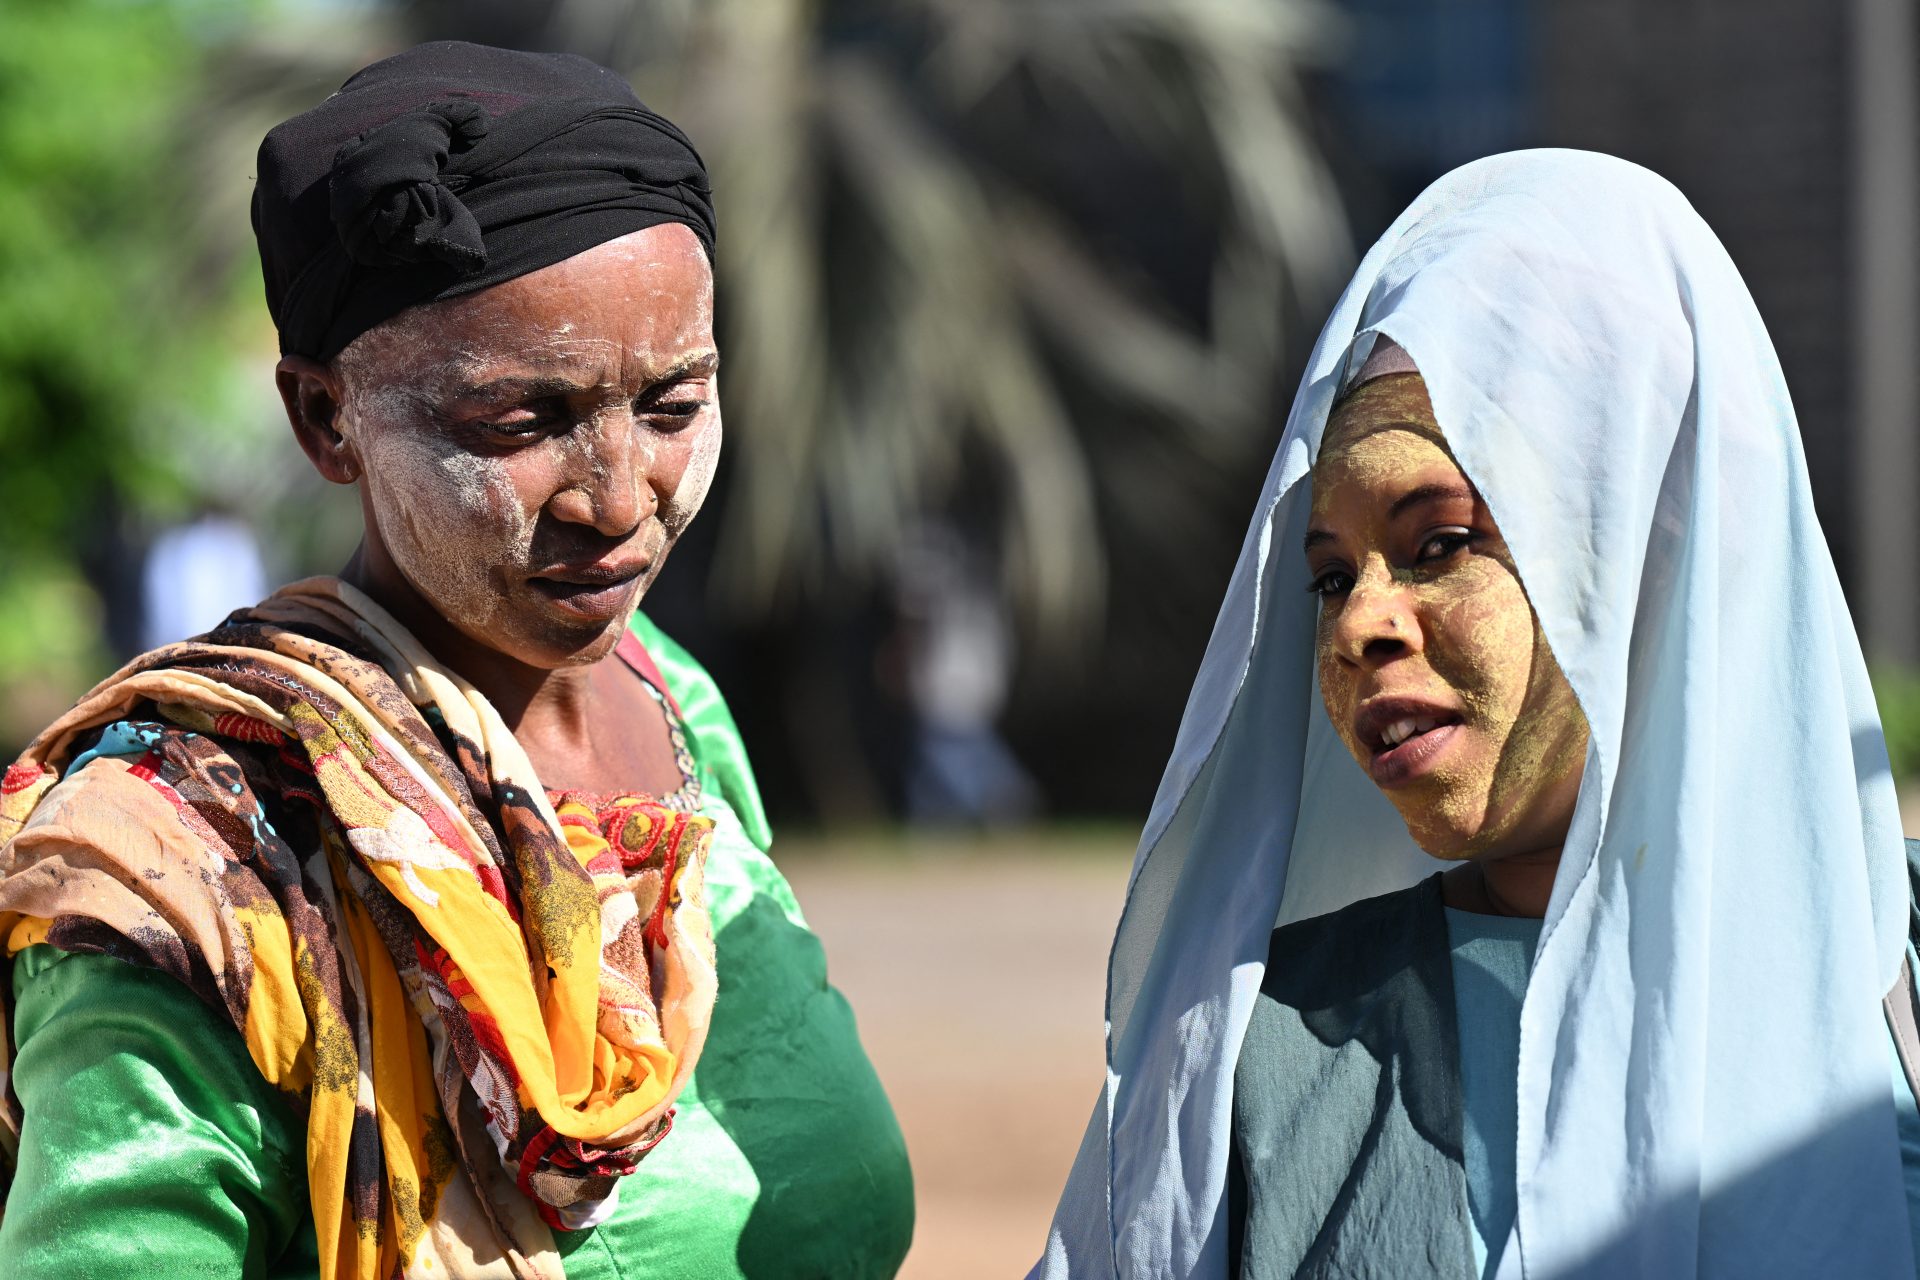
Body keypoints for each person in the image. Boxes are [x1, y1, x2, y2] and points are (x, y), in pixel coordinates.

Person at [0, 42, 912, 1279]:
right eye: (520, 420)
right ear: (328, 418)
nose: (615, 493)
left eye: (673, 403)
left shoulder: (676, 705)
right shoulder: (187, 865)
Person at [1034, 150, 1920, 1278]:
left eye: (1440, 542)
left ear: (1653, 535)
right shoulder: (1263, 1055)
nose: (1360, 625)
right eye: (1329, 577)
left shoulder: (1898, 985)